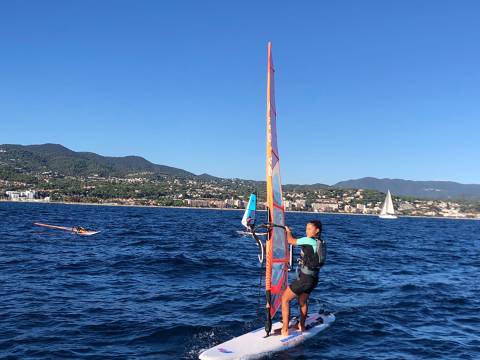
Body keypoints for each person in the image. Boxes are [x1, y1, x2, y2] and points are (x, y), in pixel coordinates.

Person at [280, 220, 326, 336]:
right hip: (313, 278)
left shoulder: (308, 240)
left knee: (285, 299)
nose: (307, 231)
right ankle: (302, 326)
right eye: (306, 228)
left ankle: (284, 330)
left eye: (310, 229)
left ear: (317, 230)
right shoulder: (320, 242)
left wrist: (288, 231)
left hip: (305, 279)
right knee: (302, 301)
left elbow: (290, 241)